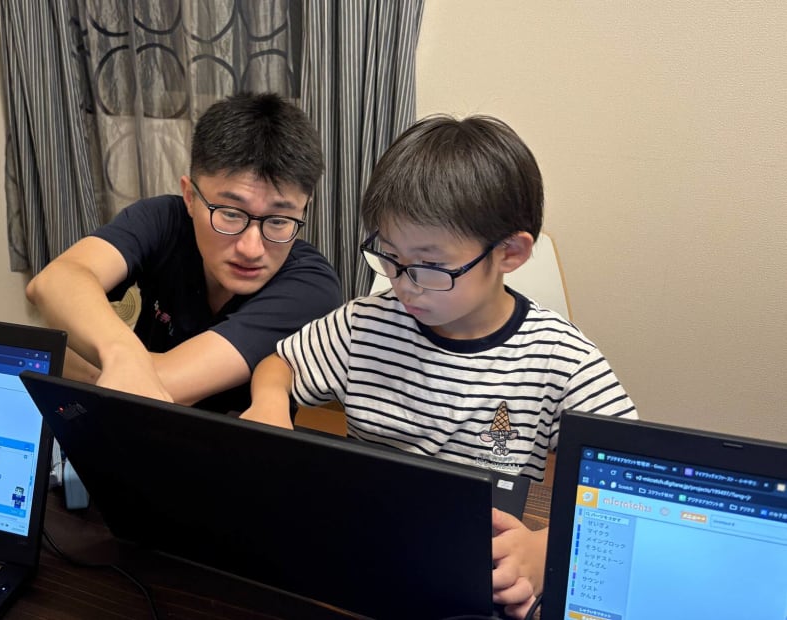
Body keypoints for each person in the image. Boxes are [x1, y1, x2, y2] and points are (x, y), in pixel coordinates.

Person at [240, 115, 637, 618]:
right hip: (365, 546)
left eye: (429, 266)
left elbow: (626, 480)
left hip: (476, 570)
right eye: (389, 256)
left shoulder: (560, 358)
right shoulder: (365, 324)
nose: (403, 285)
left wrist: (543, 549)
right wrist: (270, 405)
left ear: (509, 253)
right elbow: (280, 365)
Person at [26, 92, 341, 413]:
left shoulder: (311, 285)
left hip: (230, 454)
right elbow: (55, 281)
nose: (251, 248)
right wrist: (121, 352)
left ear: (304, 210)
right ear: (190, 196)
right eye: (230, 214)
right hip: (127, 434)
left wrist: (66, 359)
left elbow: (157, 390)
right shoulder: (164, 219)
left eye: (277, 220)